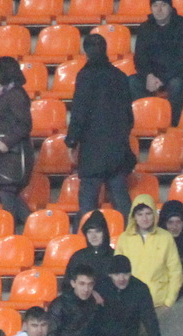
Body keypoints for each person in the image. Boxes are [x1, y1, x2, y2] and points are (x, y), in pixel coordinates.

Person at [66, 31, 135, 215]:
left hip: (91, 150)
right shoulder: (120, 76)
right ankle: (130, 240)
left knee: (88, 206)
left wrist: (72, 141)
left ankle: (84, 239)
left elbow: (79, 113)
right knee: (121, 202)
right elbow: (129, 116)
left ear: (86, 52)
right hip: (117, 149)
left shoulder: (85, 76)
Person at [0, 55, 34, 226]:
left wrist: (7, 142)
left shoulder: (14, 95)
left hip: (14, 154)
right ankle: (34, 227)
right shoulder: (9, 93)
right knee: (9, 193)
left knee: (7, 191)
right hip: (9, 154)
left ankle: (13, 232)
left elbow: (24, 124)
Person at [118, 194, 182, 307]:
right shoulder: (124, 238)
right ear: (134, 217)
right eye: (140, 214)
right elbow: (117, 272)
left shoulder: (166, 237)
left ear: (154, 215)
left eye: (148, 213)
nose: (144, 218)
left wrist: (169, 302)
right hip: (130, 304)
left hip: (158, 303)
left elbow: (175, 272)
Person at [132, 0, 183, 118]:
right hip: (153, 76)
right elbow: (140, 58)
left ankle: (171, 122)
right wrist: (148, 76)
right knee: (132, 81)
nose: (159, 9)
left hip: (175, 74)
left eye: (163, 5)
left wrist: (163, 79)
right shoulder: (145, 28)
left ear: (170, 7)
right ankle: (145, 119)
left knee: (177, 84)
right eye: (155, 5)